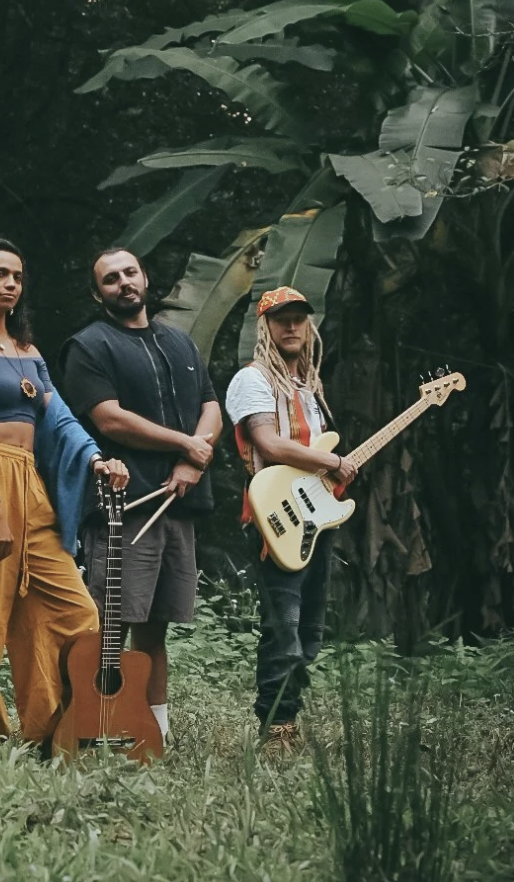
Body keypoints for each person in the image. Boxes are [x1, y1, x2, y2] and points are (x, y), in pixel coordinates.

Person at [0, 236, 129, 750]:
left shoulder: (29, 353)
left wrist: (97, 458)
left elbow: (57, 418)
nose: (11, 283)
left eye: (17, 276)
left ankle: (51, 730)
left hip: (32, 486)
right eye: (0, 274)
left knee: (73, 611)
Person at [60, 248, 222, 745]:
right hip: (123, 506)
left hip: (180, 502)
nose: (124, 283)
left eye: (130, 273)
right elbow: (107, 417)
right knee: (111, 623)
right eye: (111, 279)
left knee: (157, 628)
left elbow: (211, 407)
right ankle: (90, 724)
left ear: (146, 278)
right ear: (98, 294)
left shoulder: (181, 342)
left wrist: (194, 460)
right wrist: (183, 444)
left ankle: (154, 731)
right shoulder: (88, 345)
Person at [224, 286, 357, 751]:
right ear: (265, 327)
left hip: (312, 519)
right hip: (272, 519)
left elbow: (311, 463)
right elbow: (270, 445)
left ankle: (288, 719)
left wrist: (334, 476)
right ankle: (276, 728)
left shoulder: (309, 388)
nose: (292, 326)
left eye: (299, 317)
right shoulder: (253, 380)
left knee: (309, 631)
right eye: (281, 319)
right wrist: (333, 464)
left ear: (309, 325)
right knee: (285, 626)